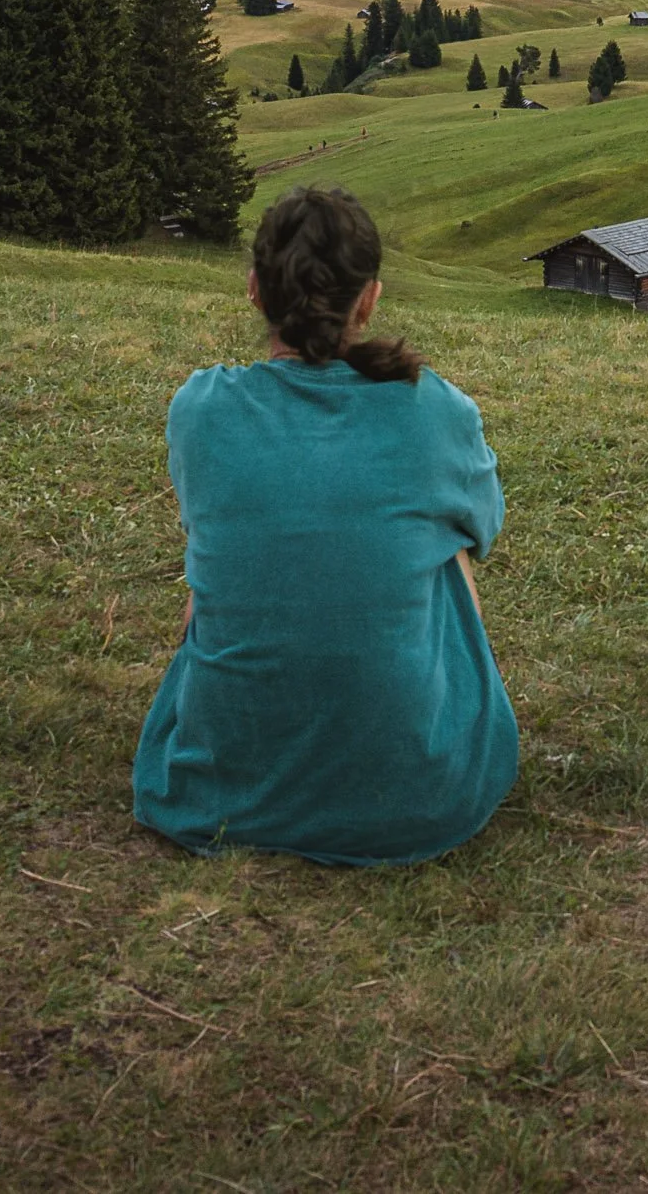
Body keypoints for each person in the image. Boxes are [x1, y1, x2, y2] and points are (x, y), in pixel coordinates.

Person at [132, 185, 517, 864]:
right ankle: (400, 741)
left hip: (216, 797)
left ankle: (254, 733)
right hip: (417, 804)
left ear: (254, 289)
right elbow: (481, 531)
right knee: (447, 548)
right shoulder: (436, 412)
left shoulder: (200, 409)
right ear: (370, 298)